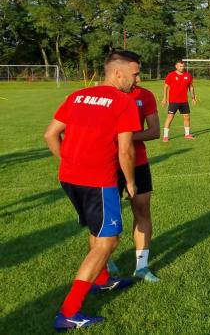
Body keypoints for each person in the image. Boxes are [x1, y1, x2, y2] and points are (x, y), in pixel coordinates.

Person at [44, 51, 143, 331]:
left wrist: (68, 161)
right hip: (99, 181)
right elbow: (125, 150)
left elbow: (50, 134)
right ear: (118, 73)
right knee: (107, 242)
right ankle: (69, 311)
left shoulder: (77, 96)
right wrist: (131, 182)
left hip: (69, 178)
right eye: (135, 74)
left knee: (98, 231)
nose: (137, 79)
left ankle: (102, 280)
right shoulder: (123, 102)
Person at [108, 73, 161, 282]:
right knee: (107, 217)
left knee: (142, 211)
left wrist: (125, 137)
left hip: (138, 163)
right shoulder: (104, 96)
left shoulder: (145, 95)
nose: (138, 78)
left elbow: (155, 131)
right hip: (109, 165)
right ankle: (104, 260)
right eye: (134, 74)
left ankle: (142, 266)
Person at [161, 61, 197, 142]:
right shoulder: (171, 75)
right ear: (176, 66)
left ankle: (187, 134)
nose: (182, 68)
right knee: (170, 117)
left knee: (187, 117)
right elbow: (166, 87)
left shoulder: (188, 75)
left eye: (183, 66)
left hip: (184, 101)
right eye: (180, 66)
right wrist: (164, 98)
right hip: (173, 101)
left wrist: (193, 97)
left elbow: (191, 87)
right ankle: (165, 136)